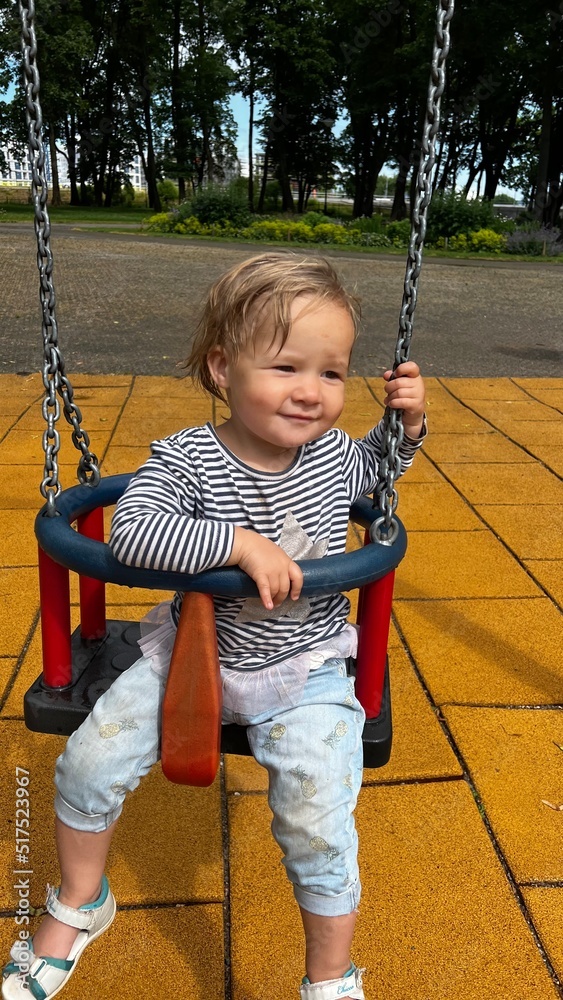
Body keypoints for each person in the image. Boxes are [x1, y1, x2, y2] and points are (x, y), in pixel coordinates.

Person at [2, 252, 426, 1000]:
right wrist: (234, 544)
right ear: (222, 368)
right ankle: (80, 902)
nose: (310, 393)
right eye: (286, 367)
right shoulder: (190, 458)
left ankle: (331, 976)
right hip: (190, 656)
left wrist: (408, 420)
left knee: (317, 820)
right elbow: (133, 532)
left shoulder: (331, 457)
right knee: (86, 766)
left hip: (306, 668)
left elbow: (380, 468)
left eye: (331, 374)